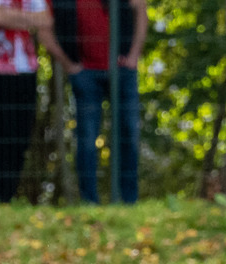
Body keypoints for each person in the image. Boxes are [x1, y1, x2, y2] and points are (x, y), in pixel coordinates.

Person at [40, 0, 147, 204]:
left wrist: (134, 56)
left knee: (128, 134)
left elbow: (141, 10)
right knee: (87, 139)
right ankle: (89, 202)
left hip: (123, 71)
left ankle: (129, 201)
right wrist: (69, 64)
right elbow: (45, 31)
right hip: (85, 74)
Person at [0, 0, 52, 203]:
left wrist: (13, 18)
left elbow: (45, 19)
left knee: (22, 137)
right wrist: (29, 20)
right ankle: (2, 196)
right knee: (5, 135)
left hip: (26, 70)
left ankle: (8, 195)